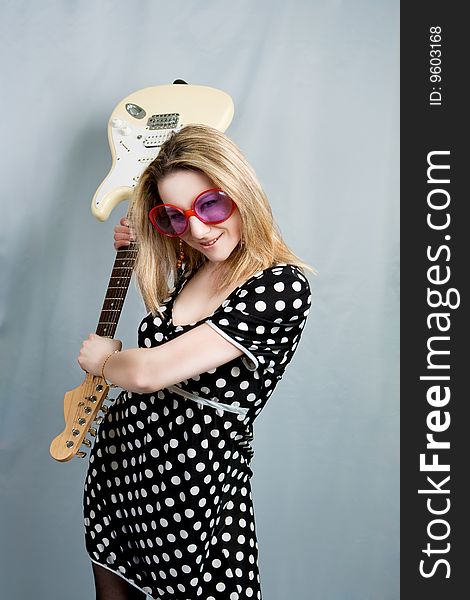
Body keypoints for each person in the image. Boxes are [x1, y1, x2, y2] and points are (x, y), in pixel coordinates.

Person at [78, 124, 314, 600]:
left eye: (212, 204)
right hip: (120, 467)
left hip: (191, 491)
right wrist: (143, 236)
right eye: (177, 216)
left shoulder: (281, 286)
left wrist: (107, 360)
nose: (201, 230)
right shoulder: (195, 268)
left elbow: (149, 373)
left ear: (241, 190)